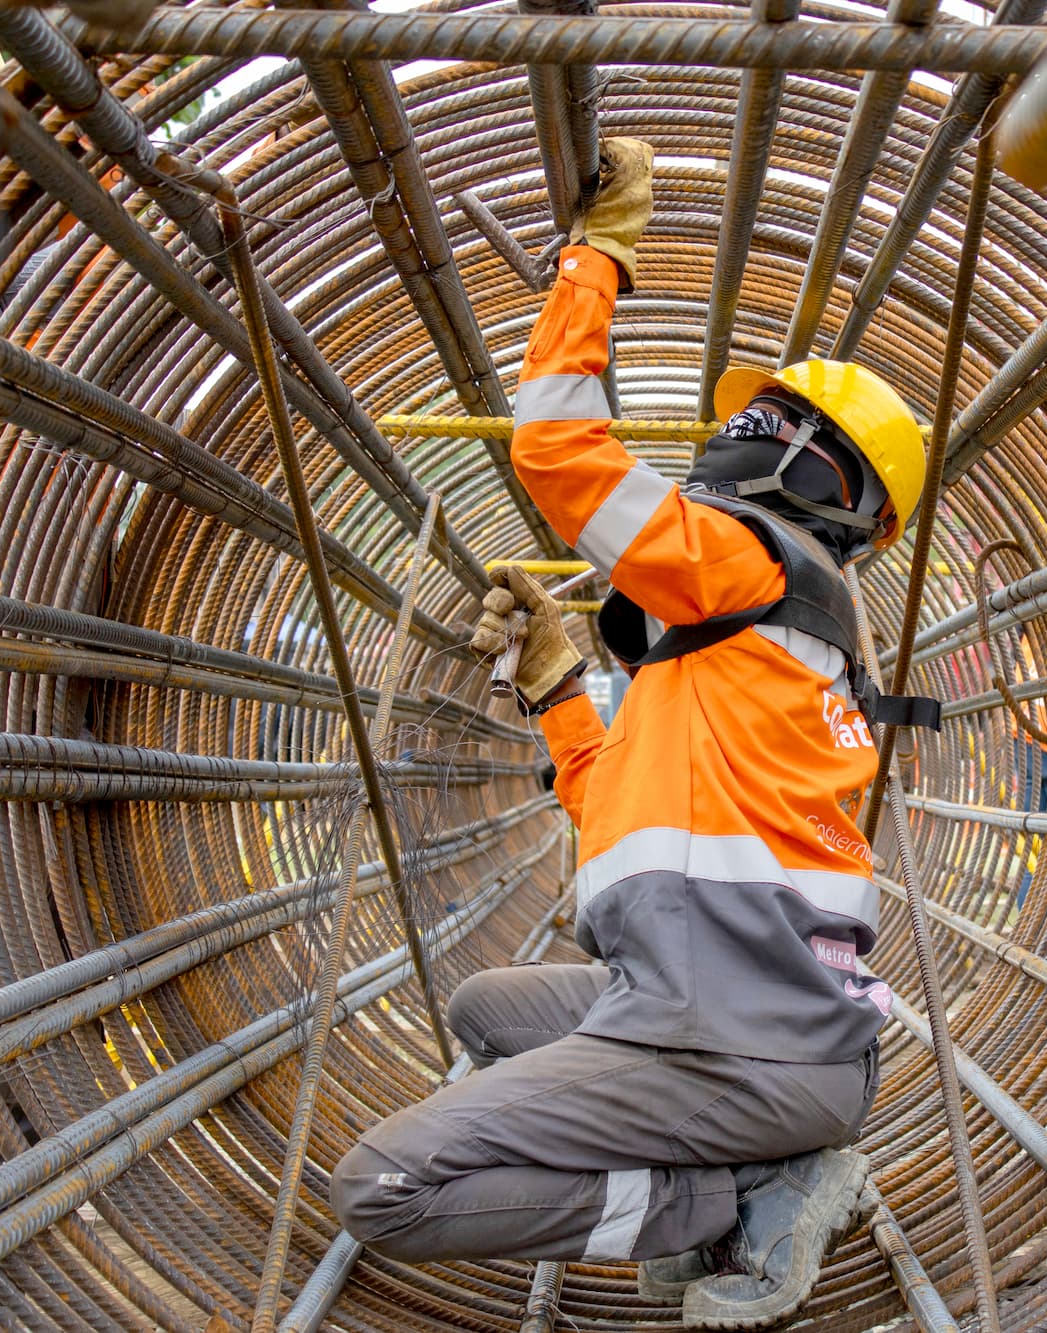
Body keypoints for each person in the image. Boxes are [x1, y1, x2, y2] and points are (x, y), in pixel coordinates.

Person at [329, 138, 932, 1330]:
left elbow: (555, 446)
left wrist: (594, 258)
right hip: (764, 1026)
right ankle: (744, 1157)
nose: (736, 431)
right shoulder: (746, 641)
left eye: (766, 417)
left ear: (823, 475)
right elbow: (616, 815)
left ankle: (712, 1203)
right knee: (488, 1009)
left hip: (733, 1052)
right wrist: (559, 683)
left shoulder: (751, 563)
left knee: (381, 1186)